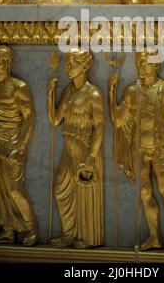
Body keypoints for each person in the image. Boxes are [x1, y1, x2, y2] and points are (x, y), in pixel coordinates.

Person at [109, 51, 164, 253]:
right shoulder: (131, 91)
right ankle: (155, 237)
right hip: (139, 149)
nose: (141, 66)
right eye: (138, 62)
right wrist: (111, 91)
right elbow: (118, 121)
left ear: (156, 65)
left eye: (145, 62)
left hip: (160, 148)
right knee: (145, 192)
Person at [0, 45, 39, 246]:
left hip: (12, 144)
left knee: (13, 189)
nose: (4, 63)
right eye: (0, 59)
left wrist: (20, 146)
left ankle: (32, 227)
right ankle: (7, 230)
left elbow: (29, 118)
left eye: (7, 59)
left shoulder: (19, 86)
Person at [47, 50, 104, 248]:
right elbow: (55, 120)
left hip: (85, 148)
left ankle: (86, 237)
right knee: (61, 191)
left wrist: (91, 156)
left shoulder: (93, 94)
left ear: (85, 66)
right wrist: (50, 95)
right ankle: (67, 234)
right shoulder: (69, 91)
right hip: (67, 147)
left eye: (72, 63)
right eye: (67, 63)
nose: (67, 67)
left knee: (83, 195)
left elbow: (100, 128)